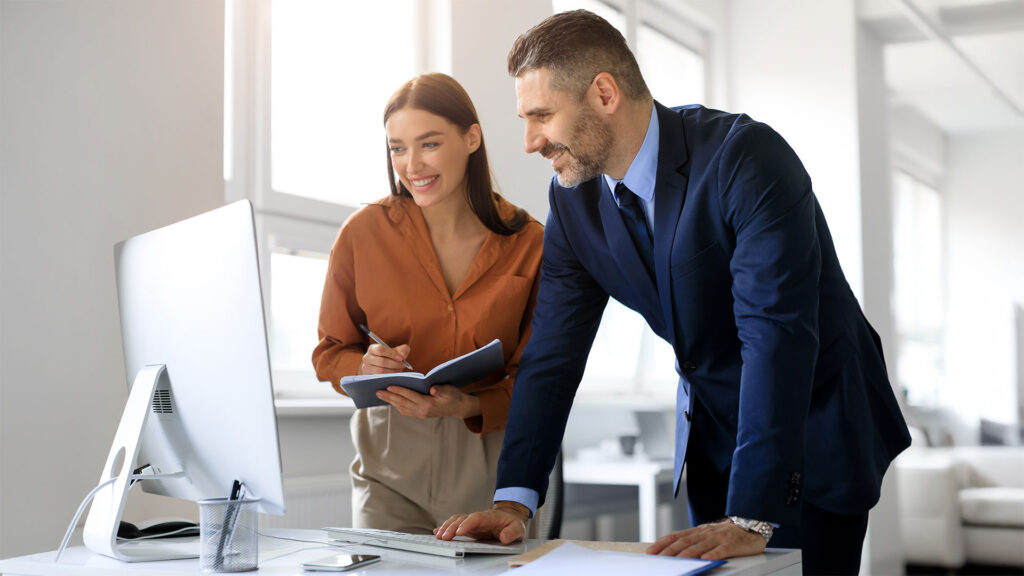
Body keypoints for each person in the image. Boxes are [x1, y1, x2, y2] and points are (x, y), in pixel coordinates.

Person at [435, 10, 911, 574]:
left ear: (604, 93)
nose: (530, 141)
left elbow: (775, 334)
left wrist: (752, 515)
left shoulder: (746, 159)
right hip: (715, 435)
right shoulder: (574, 198)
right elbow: (553, 353)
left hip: (815, 422)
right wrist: (513, 498)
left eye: (541, 116)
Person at [312, 73, 544, 534]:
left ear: (471, 138)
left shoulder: (530, 243)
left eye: (429, 144)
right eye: (397, 148)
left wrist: (469, 405)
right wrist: (363, 365)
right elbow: (329, 352)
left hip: (492, 471)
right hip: (388, 471)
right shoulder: (362, 234)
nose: (411, 164)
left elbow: (541, 378)